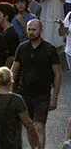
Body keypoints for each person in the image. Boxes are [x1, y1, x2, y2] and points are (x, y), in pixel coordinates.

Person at [10, 19, 62, 148]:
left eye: (34, 30)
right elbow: (14, 70)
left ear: (41, 30)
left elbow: (58, 75)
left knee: (39, 125)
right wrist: (10, 92)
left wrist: (54, 97)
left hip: (42, 95)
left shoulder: (50, 49)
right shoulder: (22, 48)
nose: (31, 32)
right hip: (24, 94)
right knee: (29, 126)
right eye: (29, 30)